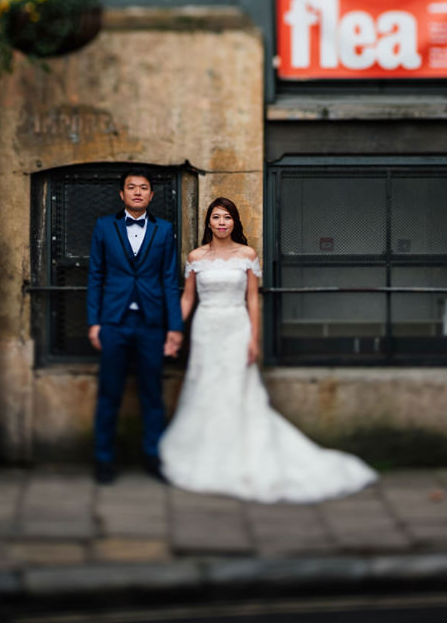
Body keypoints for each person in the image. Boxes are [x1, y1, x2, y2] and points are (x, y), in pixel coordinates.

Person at [159, 198, 378, 503]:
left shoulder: (247, 255)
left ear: (234, 222)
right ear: (208, 222)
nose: (222, 223)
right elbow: (187, 298)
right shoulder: (196, 256)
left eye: (227, 218)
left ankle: (240, 454)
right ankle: (204, 450)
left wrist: (254, 339)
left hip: (236, 327)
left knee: (237, 390)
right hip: (205, 329)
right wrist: (174, 329)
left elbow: (252, 299)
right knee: (204, 387)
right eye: (216, 217)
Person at [87, 168, 184, 485]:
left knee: (152, 394)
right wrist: (94, 322)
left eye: (144, 188)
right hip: (113, 322)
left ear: (152, 195)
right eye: (132, 188)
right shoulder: (104, 226)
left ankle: (154, 457)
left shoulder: (164, 230)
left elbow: (170, 280)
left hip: (151, 324)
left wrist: (174, 327)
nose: (138, 192)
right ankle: (103, 460)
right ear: (122, 194)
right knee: (109, 393)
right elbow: (95, 278)